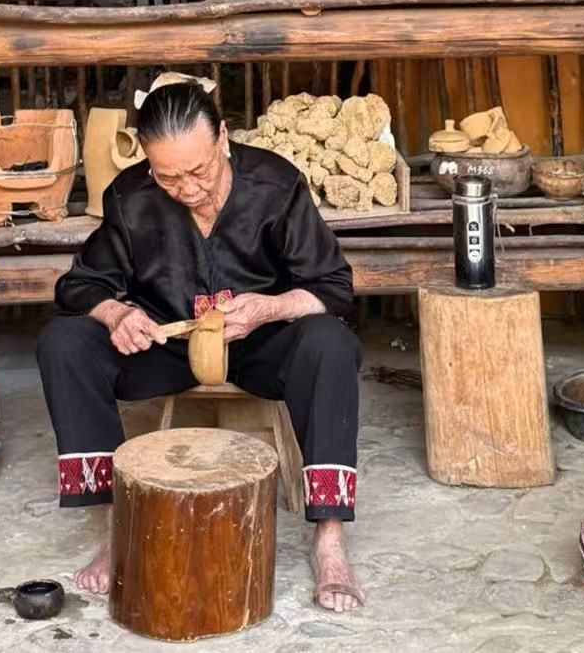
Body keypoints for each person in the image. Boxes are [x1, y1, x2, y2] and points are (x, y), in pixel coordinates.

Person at [36, 76, 366, 613]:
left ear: (223, 139)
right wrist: (118, 313)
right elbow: (77, 286)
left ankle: (329, 540)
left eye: (199, 171)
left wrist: (270, 308)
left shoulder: (276, 185)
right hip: (167, 346)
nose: (188, 189)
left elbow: (335, 288)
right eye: (168, 177)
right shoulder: (130, 197)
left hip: (260, 343)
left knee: (330, 342)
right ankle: (117, 528)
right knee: (64, 342)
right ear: (147, 162)